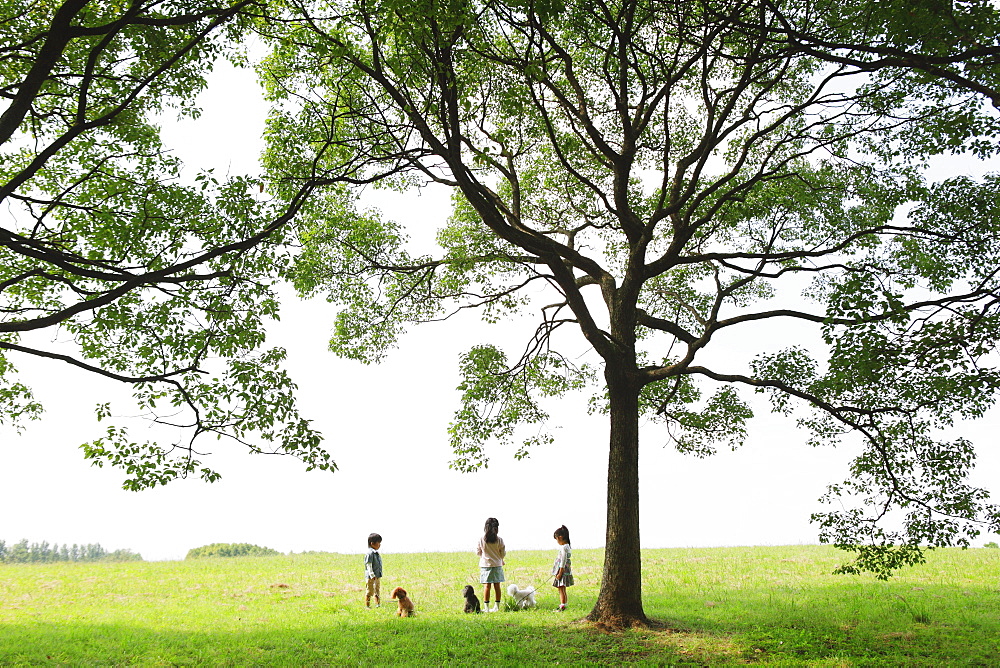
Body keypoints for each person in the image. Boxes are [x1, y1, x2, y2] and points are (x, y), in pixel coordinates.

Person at [476, 517, 506, 612]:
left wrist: (484, 556)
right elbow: (503, 553)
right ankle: (496, 607)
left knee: (487, 587)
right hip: (497, 565)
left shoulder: (482, 539)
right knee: (497, 586)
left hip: (485, 565)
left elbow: (478, 552)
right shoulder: (499, 540)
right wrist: (499, 559)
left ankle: (486, 608)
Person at [552, 525, 573, 611]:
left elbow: (563, 560)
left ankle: (562, 605)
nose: (557, 541)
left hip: (562, 571)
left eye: (556, 539)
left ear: (560, 537)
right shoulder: (567, 546)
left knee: (561, 588)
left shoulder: (564, 547)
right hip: (564, 570)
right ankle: (564, 604)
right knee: (562, 588)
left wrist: (560, 572)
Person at [364, 532, 383, 608]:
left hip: (377, 575)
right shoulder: (370, 553)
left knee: (377, 590)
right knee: (370, 591)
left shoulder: (376, 553)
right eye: (378, 543)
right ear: (372, 543)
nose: (379, 545)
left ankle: (377, 604)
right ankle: (367, 606)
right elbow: (368, 565)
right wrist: (372, 575)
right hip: (371, 577)